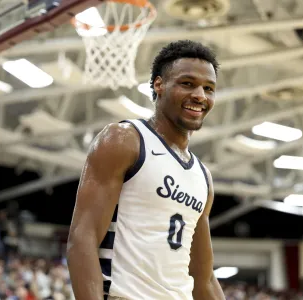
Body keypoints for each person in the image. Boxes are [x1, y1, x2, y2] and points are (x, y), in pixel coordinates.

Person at [67, 40, 225, 300]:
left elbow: (203, 278)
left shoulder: (202, 176)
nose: (200, 95)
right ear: (159, 85)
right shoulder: (124, 139)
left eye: (209, 88)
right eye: (187, 83)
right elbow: (82, 239)